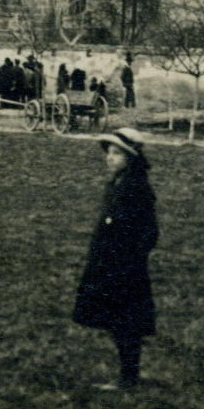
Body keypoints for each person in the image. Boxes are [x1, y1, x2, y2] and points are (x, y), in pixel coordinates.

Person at [73, 127, 158, 390]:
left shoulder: (136, 187)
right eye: (109, 153)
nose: (110, 158)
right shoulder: (120, 182)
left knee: (125, 321)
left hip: (124, 267)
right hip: (111, 264)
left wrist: (126, 256)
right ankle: (128, 375)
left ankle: (128, 377)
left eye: (117, 153)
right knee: (120, 321)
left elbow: (149, 231)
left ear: (130, 157)